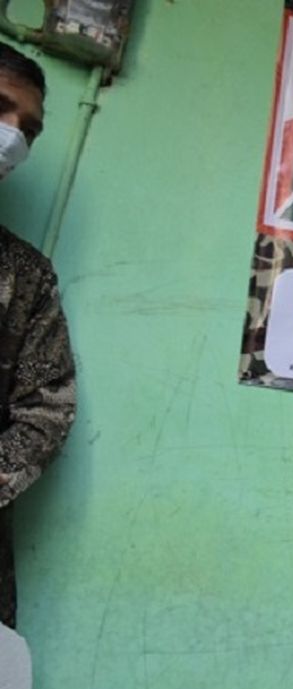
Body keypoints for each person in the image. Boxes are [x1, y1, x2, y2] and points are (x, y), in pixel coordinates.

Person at [0, 42, 76, 631]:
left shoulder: (24, 276)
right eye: (1, 107)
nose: (13, 137)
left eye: (29, 129)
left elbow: (46, 409)